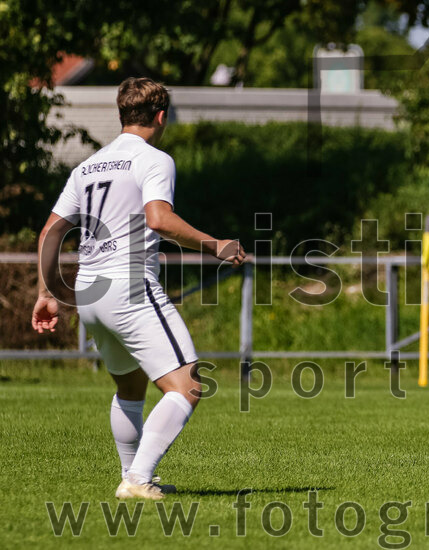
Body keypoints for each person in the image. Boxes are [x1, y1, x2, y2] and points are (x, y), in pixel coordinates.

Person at [32, 77, 246, 499]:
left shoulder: (87, 167)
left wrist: (45, 294)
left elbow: (49, 232)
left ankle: (134, 475)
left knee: (130, 389)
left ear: (122, 114)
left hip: (89, 291)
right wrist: (215, 244)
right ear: (161, 116)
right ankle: (136, 478)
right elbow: (159, 219)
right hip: (128, 285)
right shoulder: (154, 159)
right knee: (188, 385)